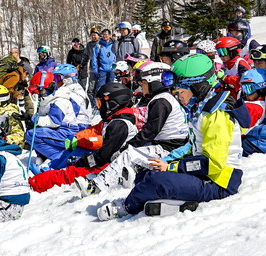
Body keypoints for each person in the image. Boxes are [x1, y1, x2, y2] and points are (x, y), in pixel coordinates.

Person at [96, 53, 243, 220]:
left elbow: (213, 164)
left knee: (155, 180)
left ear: (197, 86)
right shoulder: (201, 111)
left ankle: (126, 207)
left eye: (181, 90)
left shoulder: (216, 116)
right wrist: (167, 162)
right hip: (206, 174)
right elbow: (193, 147)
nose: (178, 95)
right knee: (145, 174)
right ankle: (173, 204)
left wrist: (173, 167)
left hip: (220, 182)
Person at [27, 83, 141, 195]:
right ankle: (47, 172)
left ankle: (36, 183)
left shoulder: (119, 125)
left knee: (69, 173)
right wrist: (77, 139)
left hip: (108, 167)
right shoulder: (113, 121)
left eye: (100, 103)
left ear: (112, 103)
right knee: (73, 155)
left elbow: (104, 155)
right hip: (105, 162)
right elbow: (93, 132)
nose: (98, 107)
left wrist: (83, 161)